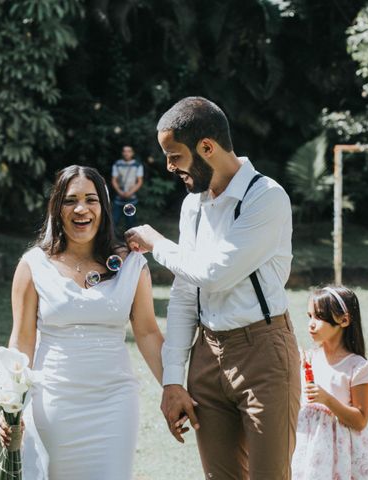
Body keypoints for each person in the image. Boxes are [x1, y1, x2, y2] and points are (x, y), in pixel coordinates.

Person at [125, 96, 299, 479]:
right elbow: (188, 291)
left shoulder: (266, 198)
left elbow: (215, 273)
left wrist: (157, 243)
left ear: (207, 147)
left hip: (263, 355)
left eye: (175, 156)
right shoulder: (193, 206)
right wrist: (173, 379)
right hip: (206, 355)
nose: (170, 167)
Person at [1, 165, 163, 479]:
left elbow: (147, 333)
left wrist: (174, 387)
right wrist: (11, 404)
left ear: (103, 207)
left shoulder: (132, 265)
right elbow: (21, 341)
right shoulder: (33, 265)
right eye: (70, 200)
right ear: (56, 209)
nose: (81, 209)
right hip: (51, 402)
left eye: (91, 199)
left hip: (114, 404)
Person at [292, 285, 368, 479]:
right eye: (310, 316)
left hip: (342, 455)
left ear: (344, 319)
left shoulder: (357, 367)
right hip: (306, 448)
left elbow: (360, 421)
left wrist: (327, 399)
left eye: (319, 317)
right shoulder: (308, 359)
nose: (311, 324)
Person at [111, 145, 144, 233]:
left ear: (132, 153)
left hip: (131, 198)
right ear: (122, 153)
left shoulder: (137, 165)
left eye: (129, 151)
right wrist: (120, 192)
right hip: (119, 198)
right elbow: (114, 180)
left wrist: (130, 192)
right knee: (113, 221)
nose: (126, 153)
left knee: (131, 223)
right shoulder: (117, 164)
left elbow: (139, 181)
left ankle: (131, 243)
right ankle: (113, 242)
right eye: (124, 151)